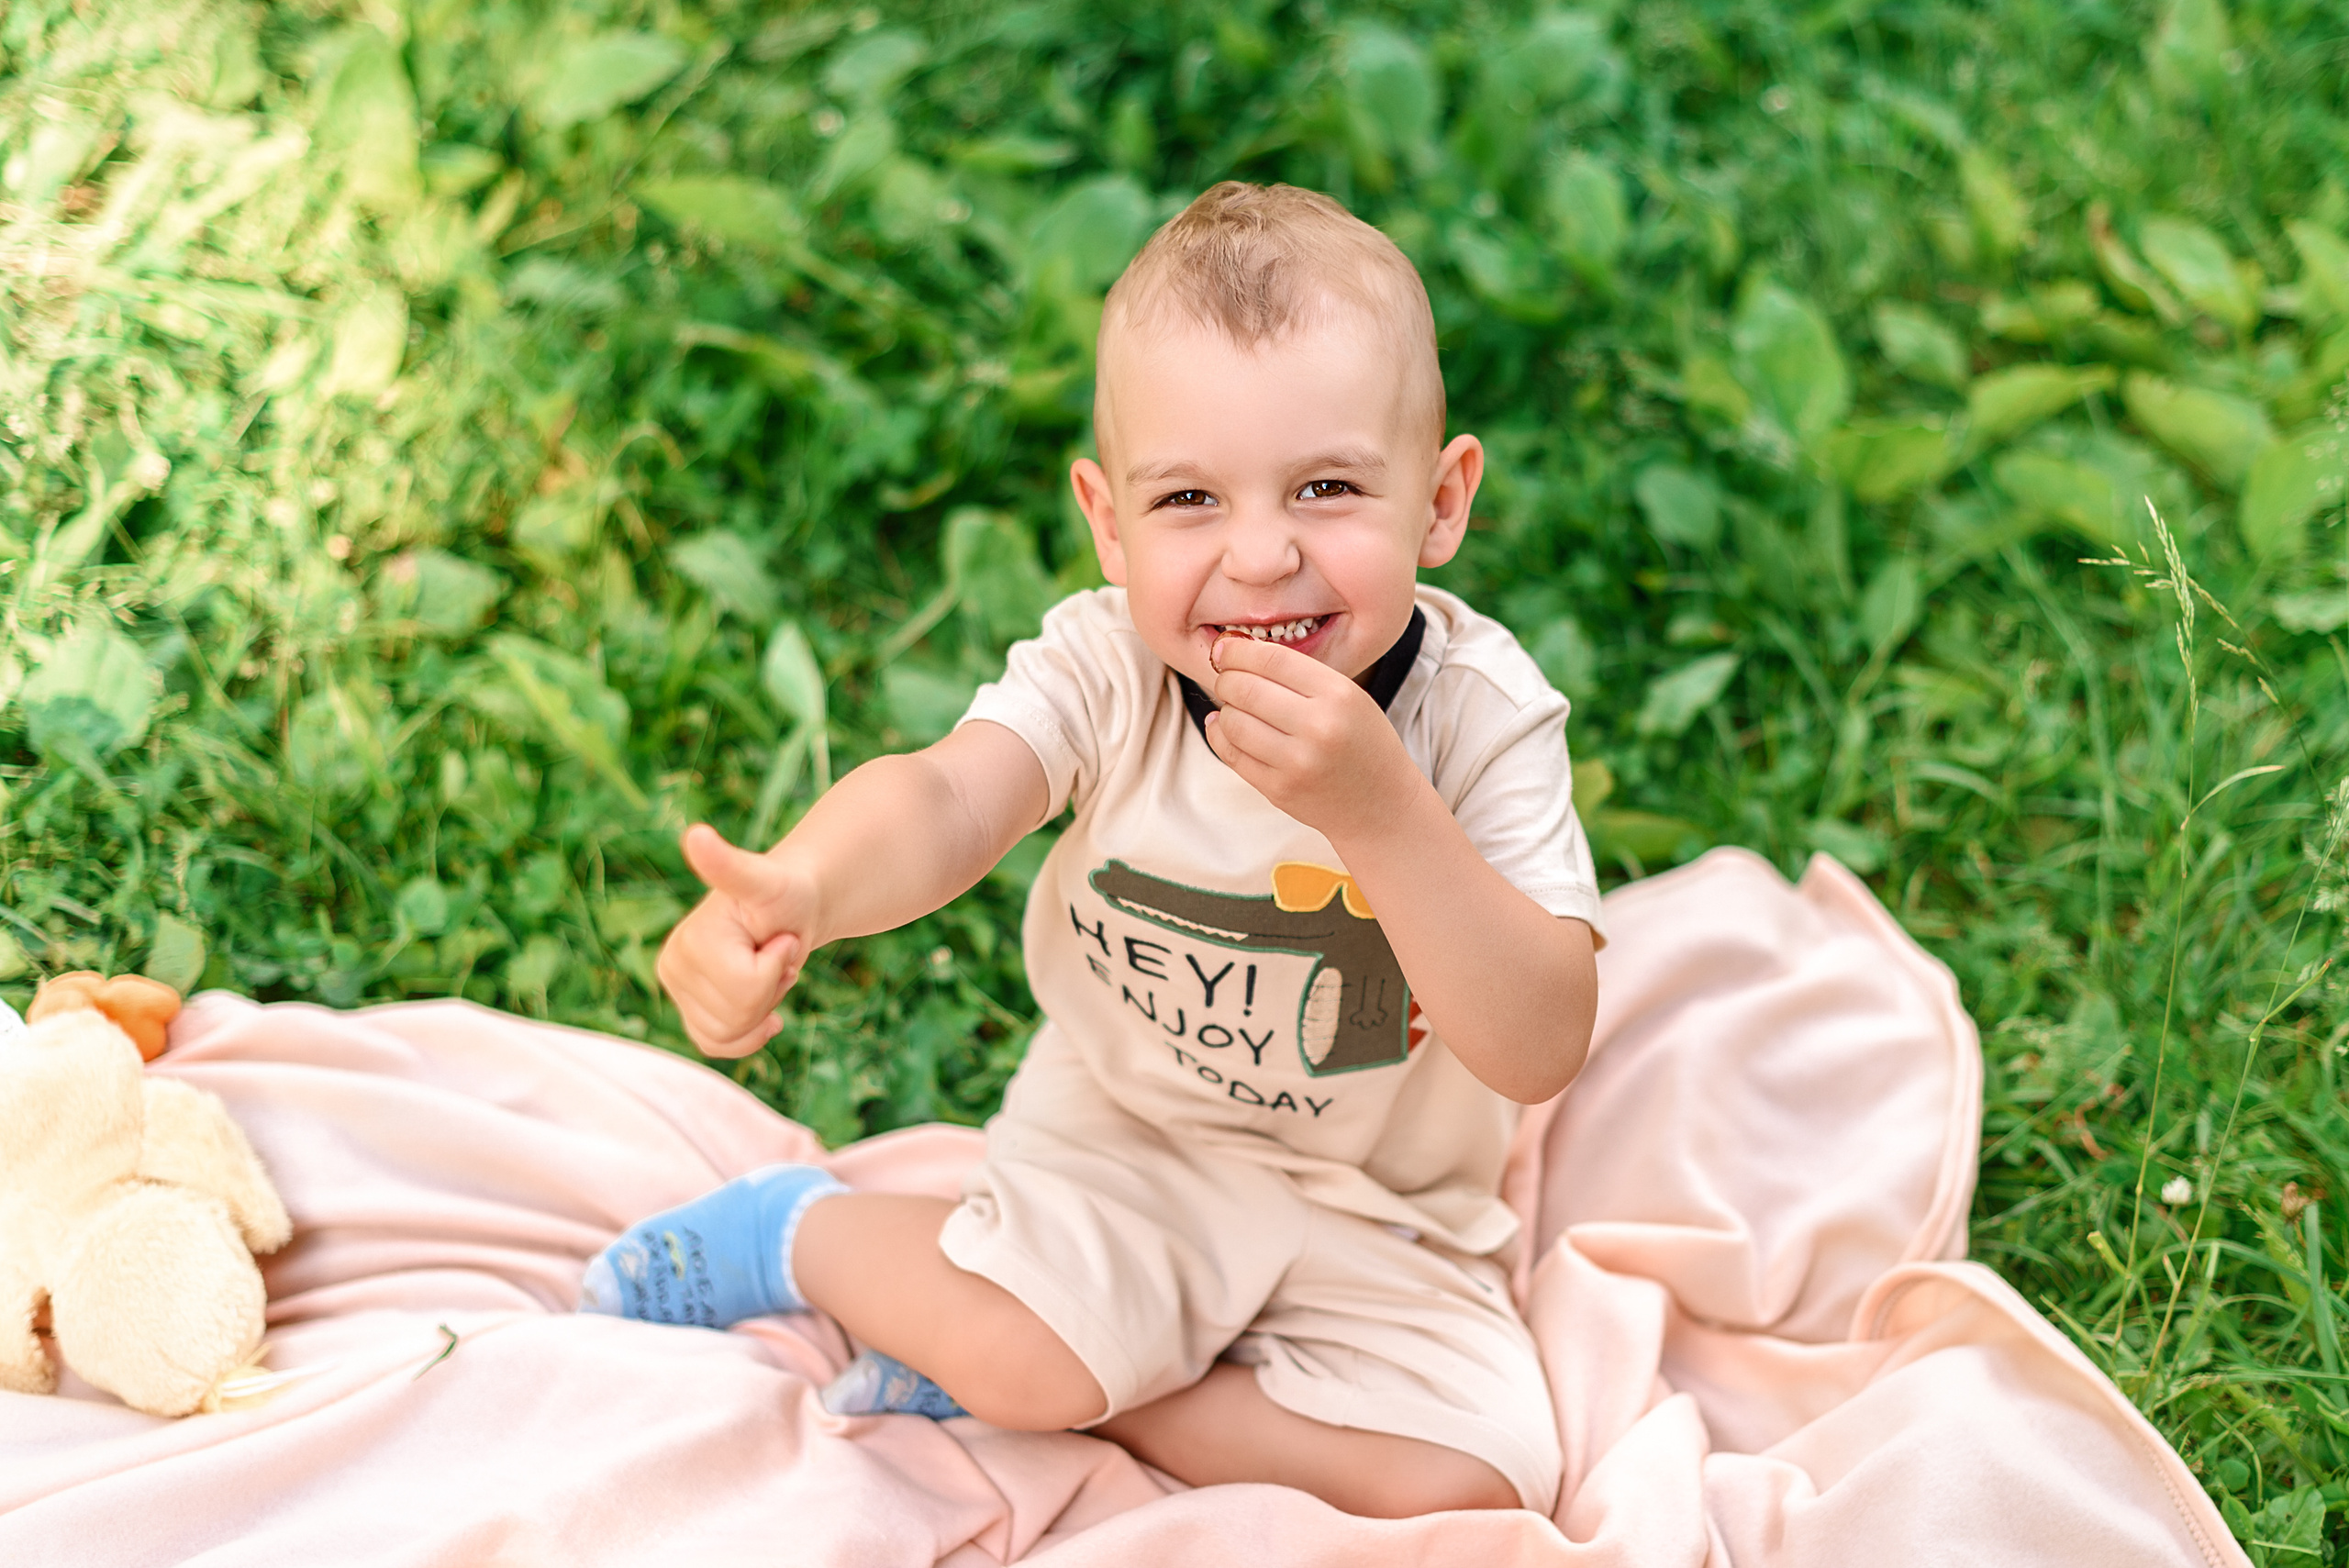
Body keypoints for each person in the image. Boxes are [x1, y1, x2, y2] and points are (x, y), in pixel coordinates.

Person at [581, 182, 1603, 1518]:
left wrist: (1380, 809)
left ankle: (1107, 1375)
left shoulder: (1480, 718)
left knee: (1479, 1478)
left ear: (1442, 500)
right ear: (1109, 521)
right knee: (1026, 1355)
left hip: (1381, 1201)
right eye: (1189, 497)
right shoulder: (1109, 669)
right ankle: (805, 1230)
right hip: (1132, 1137)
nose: (1261, 553)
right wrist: (811, 884)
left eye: (1329, 486)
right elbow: (950, 797)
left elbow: (1539, 1042)